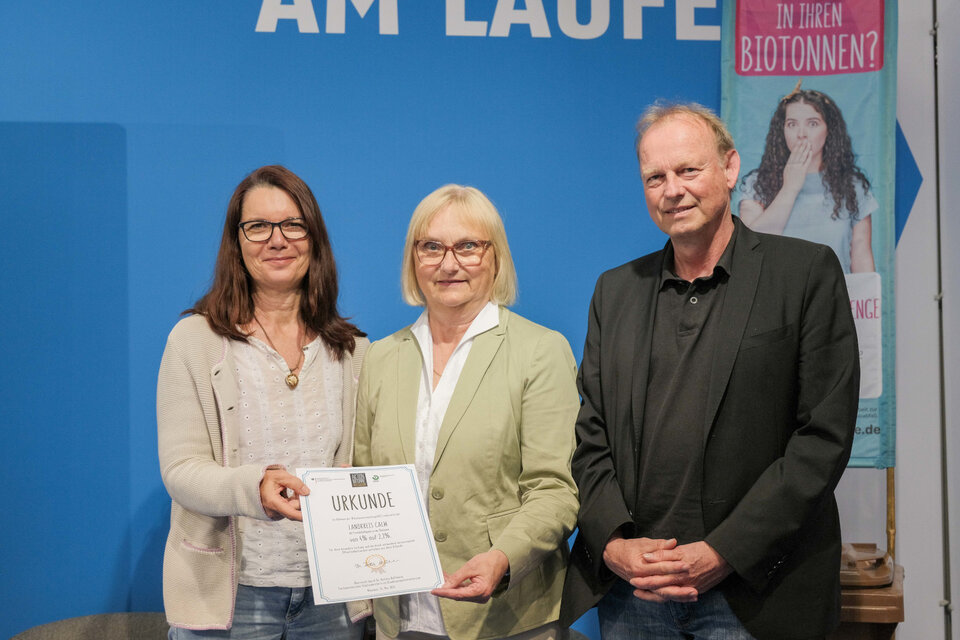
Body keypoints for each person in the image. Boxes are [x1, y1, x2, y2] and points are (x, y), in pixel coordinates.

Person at [559, 104, 859, 639]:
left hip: (754, 594)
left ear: (729, 167)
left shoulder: (805, 273)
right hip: (635, 594)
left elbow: (822, 438)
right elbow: (592, 435)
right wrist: (614, 545)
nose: (672, 190)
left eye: (688, 170)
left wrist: (725, 551)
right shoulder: (616, 290)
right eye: (656, 177)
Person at [353, 184, 579, 640]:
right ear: (413, 259)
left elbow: (555, 490)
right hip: (401, 618)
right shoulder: (381, 357)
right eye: (431, 246)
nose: (448, 263)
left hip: (507, 617)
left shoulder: (540, 351)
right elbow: (363, 479)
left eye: (468, 246)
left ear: (496, 257)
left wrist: (503, 558)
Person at [157, 165, 370, 638]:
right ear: (237, 241)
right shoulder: (195, 340)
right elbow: (181, 470)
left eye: (293, 225)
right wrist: (254, 487)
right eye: (258, 227)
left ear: (314, 238)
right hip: (232, 598)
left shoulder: (354, 350)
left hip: (331, 598)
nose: (277, 240)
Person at [739, 84, 876, 273]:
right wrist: (789, 188)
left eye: (812, 123)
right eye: (792, 124)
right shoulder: (757, 183)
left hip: (832, 297)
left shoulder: (853, 186)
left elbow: (861, 255)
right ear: (782, 131)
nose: (801, 133)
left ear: (829, 130)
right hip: (776, 298)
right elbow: (752, 247)